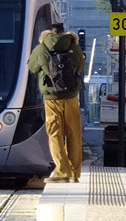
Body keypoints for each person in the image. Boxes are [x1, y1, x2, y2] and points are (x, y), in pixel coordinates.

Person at [27, 22, 85, 183]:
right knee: (74, 134)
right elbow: (80, 66)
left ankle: (62, 171)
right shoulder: (73, 47)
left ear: (49, 32)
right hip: (71, 97)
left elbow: (32, 68)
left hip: (51, 99)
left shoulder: (42, 48)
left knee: (55, 134)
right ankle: (74, 173)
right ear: (63, 32)